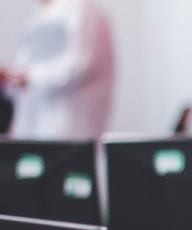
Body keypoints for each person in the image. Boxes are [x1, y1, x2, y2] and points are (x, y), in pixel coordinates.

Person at [0, 0, 114, 139]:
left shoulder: (81, 8)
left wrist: (29, 78)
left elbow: (78, 66)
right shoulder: (41, 15)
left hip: (67, 126)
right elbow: (25, 69)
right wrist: (11, 79)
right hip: (33, 128)